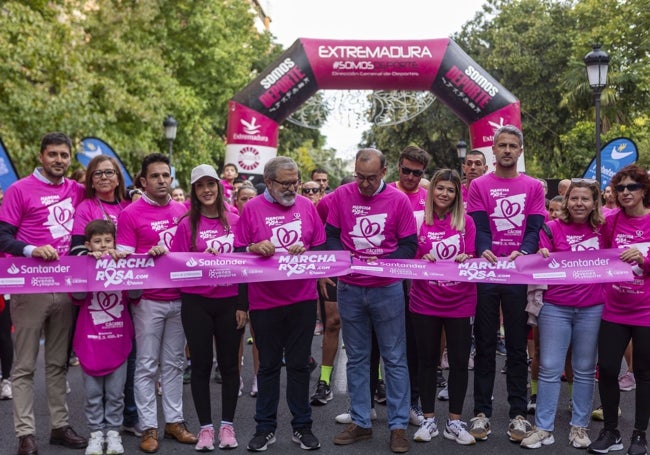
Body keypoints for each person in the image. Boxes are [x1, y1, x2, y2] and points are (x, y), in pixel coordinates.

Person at [0, 132, 87, 455]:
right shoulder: (19, 190)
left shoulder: (76, 190)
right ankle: (25, 434)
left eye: (64, 155)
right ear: (41, 156)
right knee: (23, 365)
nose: (59, 161)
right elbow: (2, 236)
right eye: (53, 154)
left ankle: (59, 427)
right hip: (30, 286)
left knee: (57, 364)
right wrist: (31, 249)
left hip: (66, 287)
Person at [327, 148, 417, 454]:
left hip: (387, 289)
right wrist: (344, 258)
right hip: (350, 289)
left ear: (384, 172)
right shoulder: (341, 195)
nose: (363, 184)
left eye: (370, 178)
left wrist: (383, 264)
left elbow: (409, 245)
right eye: (359, 177)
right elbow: (330, 235)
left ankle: (398, 427)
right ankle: (361, 422)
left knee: (393, 357)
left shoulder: (398, 200)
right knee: (357, 357)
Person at [234, 156, 324, 452]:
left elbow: (322, 250)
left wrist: (307, 250)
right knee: (269, 367)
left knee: (299, 366)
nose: (292, 188)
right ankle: (265, 429)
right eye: (285, 183)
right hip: (264, 302)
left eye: (295, 182)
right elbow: (236, 254)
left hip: (302, 299)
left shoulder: (308, 207)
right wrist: (252, 247)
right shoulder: (252, 209)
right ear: (268, 182)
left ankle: (302, 427)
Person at [466, 125, 546, 443]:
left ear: (520, 150)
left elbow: (534, 226)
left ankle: (518, 415)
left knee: (515, 346)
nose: (508, 150)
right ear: (494, 151)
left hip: (517, 274)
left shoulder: (533, 186)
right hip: (487, 274)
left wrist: (524, 251)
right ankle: (481, 413)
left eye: (513, 145)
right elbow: (479, 225)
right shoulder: (479, 185)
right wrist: (484, 248)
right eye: (503, 145)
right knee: (484, 344)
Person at [116, 152, 196, 453]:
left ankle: (174, 422)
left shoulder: (183, 210)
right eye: (155, 176)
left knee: (175, 363)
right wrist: (145, 256)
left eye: (166, 175)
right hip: (148, 300)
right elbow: (123, 259)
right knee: (147, 365)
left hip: (180, 298)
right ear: (143, 181)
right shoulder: (130, 213)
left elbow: (192, 249)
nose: (162, 181)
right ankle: (148, 427)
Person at [520, 178, 606, 449]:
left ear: (594, 203)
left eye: (585, 199)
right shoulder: (551, 227)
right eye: (574, 198)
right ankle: (544, 428)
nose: (579, 203)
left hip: (593, 307)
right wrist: (541, 254)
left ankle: (579, 428)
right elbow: (535, 263)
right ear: (566, 201)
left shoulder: (604, 229)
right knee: (549, 368)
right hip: (555, 307)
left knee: (583, 369)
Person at [170, 164, 247, 451]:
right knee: (200, 366)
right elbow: (176, 266)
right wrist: (200, 261)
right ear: (193, 190)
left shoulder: (237, 221)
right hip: (196, 302)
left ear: (218, 187)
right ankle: (205, 429)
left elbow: (246, 267)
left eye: (210, 184)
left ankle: (227, 426)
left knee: (229, 366)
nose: (206, 190)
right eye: (200, 185)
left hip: (229, 303)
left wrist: (243, 304)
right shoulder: (185, 224)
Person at [409, 169, 477, 445]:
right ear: (432, 190)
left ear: (456, 195)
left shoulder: (467, 223)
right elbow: (407, 255)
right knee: (427, 362)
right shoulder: (417, 221)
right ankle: (428, 420)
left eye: (450, 190)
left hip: (460, 301)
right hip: (424, 300)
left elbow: (473, 256)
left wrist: (466, 257)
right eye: (440, 188)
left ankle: (455, 422)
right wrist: (419, 255)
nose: (444, 194)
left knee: (459, 362)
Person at [588, 164, 650, 455]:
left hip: (646, 310)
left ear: (643, 190)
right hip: (614, 308)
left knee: (643, 373)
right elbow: (597, 254)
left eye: (632, 187)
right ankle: (611, 430)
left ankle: (639, 435)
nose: (625, 192)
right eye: (620, 188)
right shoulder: (611, 222)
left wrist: (644, 259)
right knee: (609, 369)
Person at [71, 220, 138, 455]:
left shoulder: (123, 264)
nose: (103, 246)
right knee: (92, 395)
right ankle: (96, 434)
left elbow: (137, 291)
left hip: (117, 339)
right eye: (97, 242)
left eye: (108, 241)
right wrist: (89, 266)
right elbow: (77, 294)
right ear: (88, 245)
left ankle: (113, 433)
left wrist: (126, 264)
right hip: (91, 342)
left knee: (115, 394)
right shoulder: (84, 264)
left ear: (115, 242)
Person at [389, 145, 431, 426]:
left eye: (417, 173)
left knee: (413, 346)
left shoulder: (429, 200)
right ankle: (366, 406)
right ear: (398, 167)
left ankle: (413, 403)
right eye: (406, 170)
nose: (411, 177)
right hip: (385, 277)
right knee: (380, 345)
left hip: (417, 280)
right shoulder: (385, 194)